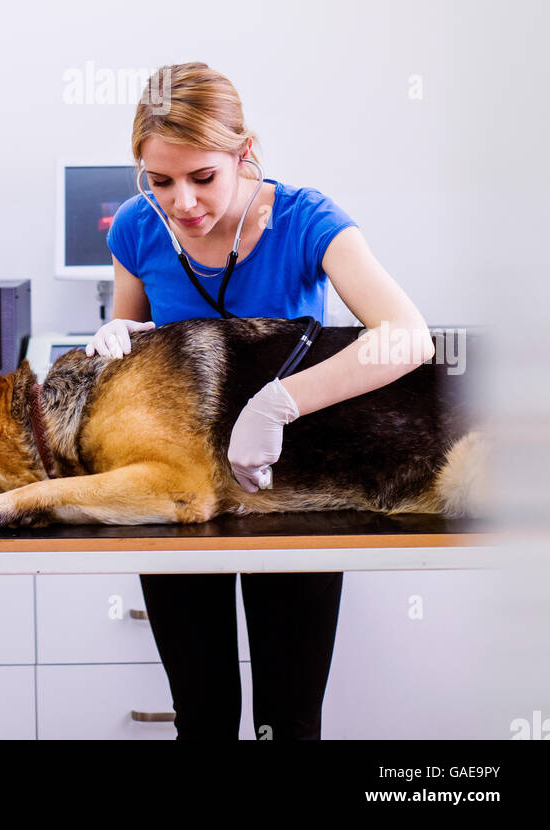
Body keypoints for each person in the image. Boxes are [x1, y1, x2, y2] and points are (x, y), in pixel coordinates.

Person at [89, 61, 433, 741]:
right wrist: (115, 334)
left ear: (243, 155)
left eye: (202, 178)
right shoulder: (135, 227)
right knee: (203, 716)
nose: (181, 203)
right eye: (159, 181)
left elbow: (407, 337)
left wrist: (273, 403)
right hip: (176, 485)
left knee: (288, 721)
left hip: (288, 481)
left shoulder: (306, 220)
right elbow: (132, 335)